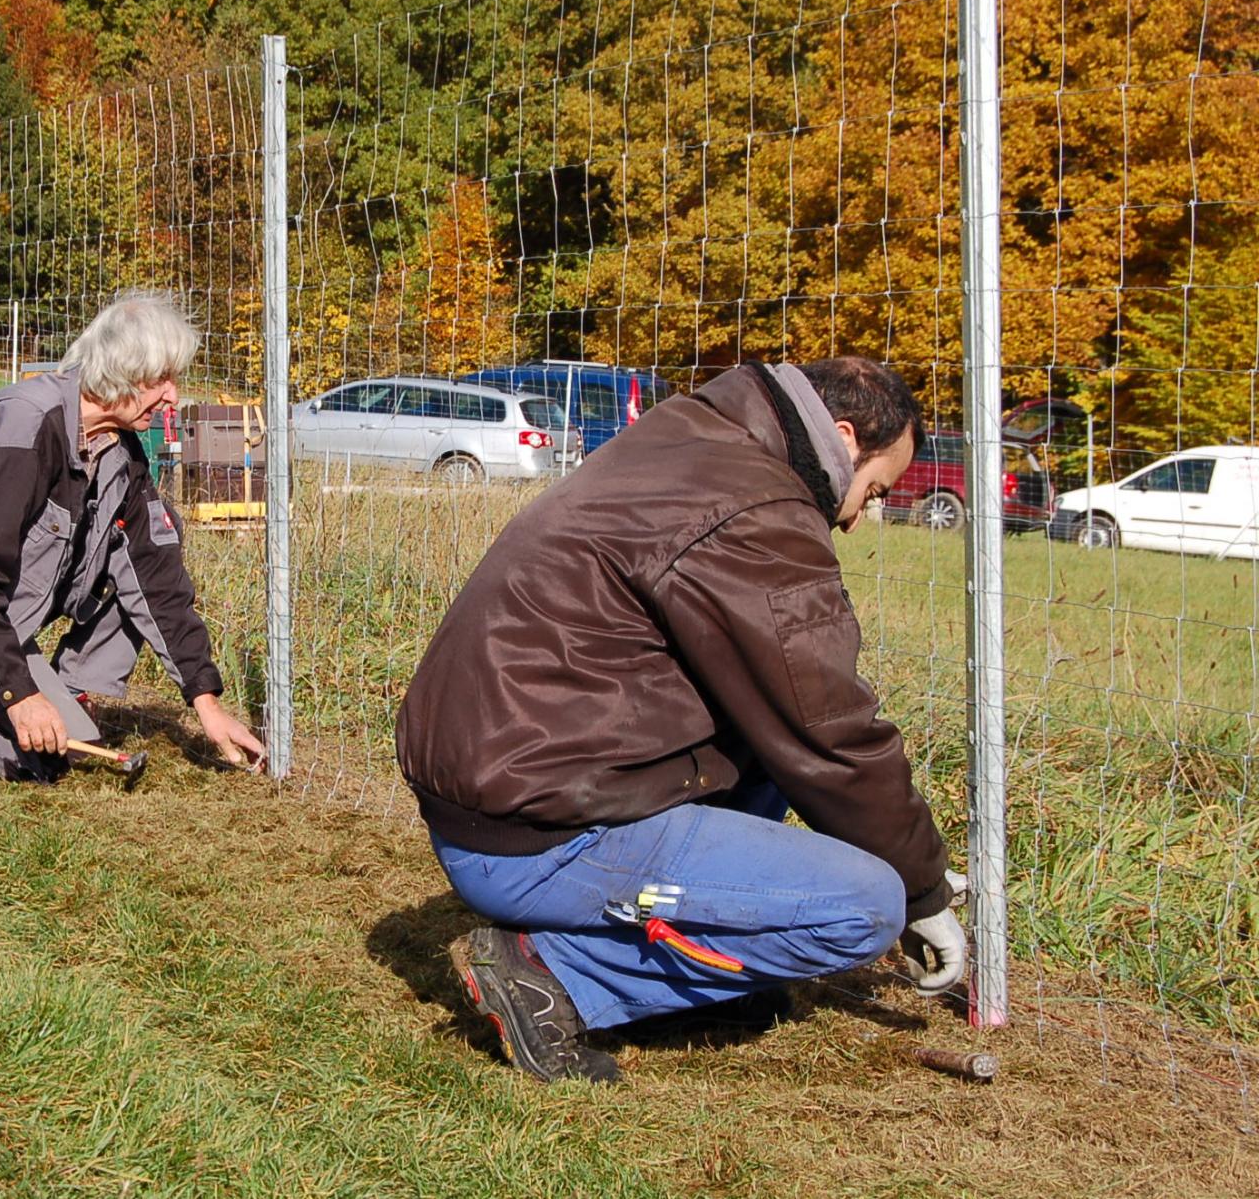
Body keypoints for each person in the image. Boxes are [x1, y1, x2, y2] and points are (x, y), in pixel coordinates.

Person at [395, 357, 964, 1084]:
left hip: (503, 780)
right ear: (844, 439)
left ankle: (711, 977)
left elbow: (792, 721)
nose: (856, 519)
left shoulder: (693, 435)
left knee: (765, 741)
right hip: (533, 834)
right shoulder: (757, 507)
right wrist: (921, 890)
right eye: (874, 490)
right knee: (864, 906)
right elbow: (833, 730)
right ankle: (555, 973)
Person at [0, 292, 265, 781]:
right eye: (160, 379)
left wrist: (206, 703)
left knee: (76, 739)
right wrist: (19, 697)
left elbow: (157, 579)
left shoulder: (120, 453)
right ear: (121, 372)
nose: (173, 395)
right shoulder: (22, 429)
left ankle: (65, 696)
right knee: (41, 758)